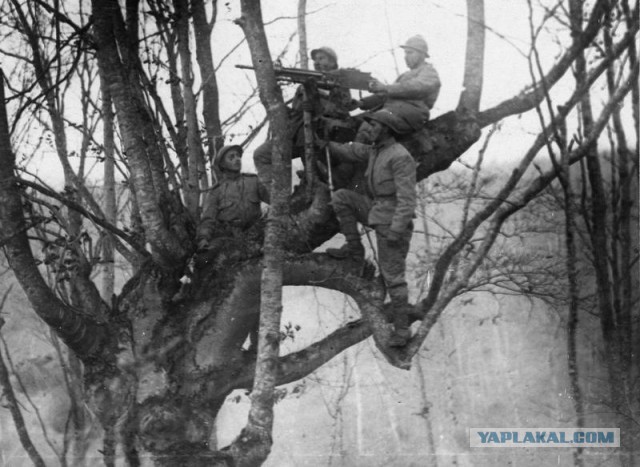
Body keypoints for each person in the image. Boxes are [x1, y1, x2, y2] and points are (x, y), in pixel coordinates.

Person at [324, 108, 417, 347]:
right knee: (342, 197)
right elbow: (353, 150)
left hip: (393, 221)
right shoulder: (377, 151)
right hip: (377, 212)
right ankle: (354, 249)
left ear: (386, 129)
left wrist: (396, 230)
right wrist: (326, 144)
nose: (369, 130)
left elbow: (407, 200)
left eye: (374, 126)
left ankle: (402, 330)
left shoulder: (399, 156)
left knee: (393, 277)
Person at [253, 46, 355, 187]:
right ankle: (278, 198)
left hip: (321, 135)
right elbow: (295, 113)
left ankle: (313, 183)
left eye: (321, 58)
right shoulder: (304, 86)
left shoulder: (340, 82)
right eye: (315, 59)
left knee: (318, 176)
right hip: (297, 134)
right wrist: (277, 102)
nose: (317, 62)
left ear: (333, 62)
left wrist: (317, 106)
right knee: (261, 154)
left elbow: (344, 110)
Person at [361, 35, 440, 133]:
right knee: (360, 121)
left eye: (410, 53)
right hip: (395, 111)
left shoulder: (429, 72)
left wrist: (385, 88)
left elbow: (416, 87)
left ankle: (360, 148)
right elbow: (387, 96)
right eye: (405, 53)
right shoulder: (405, 75)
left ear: (422, 54)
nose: (405, 57)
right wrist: (363, 103)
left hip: (413, 113)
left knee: (378, 119)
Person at [197, 144, 269, 251]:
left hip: (258, 232)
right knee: (204, 260)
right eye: (231, 157)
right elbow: (208, 219)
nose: (237, 159)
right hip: (229, 237)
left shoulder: (253, 181)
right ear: (222, 164)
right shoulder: (216, 191)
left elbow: (274, 199)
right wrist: (203, 239)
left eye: (238, 156)